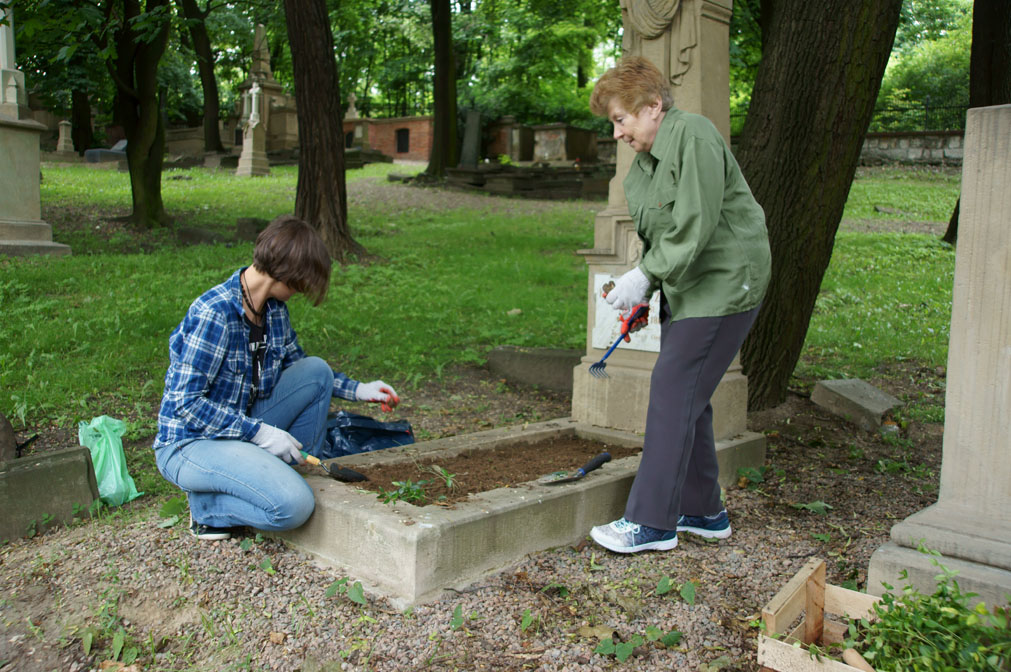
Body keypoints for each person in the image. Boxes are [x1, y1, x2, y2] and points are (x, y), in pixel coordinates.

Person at [587, 57, 771, 554]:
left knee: (672, 387)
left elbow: (695, 221)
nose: (618, 132)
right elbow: (662, 237)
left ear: (652, 107)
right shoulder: (643, 169)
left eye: (621, 119)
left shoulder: (694, 135)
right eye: (613, 123)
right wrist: (643, 288)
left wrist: (647, 274)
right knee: (689, 394)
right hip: (690, 286)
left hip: (727, 281)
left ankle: (651, 522)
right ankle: (703, 511)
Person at [153, 215, 400, 541]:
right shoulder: (215, 313)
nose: (303, 291)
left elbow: (305, 371)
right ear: (290, 274)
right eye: (304, 282)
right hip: (190, 444)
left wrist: (360, 391)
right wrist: (260, 433)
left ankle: (285, 474)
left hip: (237, 430)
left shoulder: (273, 310)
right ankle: (208, 509)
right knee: (294, 507)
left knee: (317, 370)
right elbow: (186, 404)